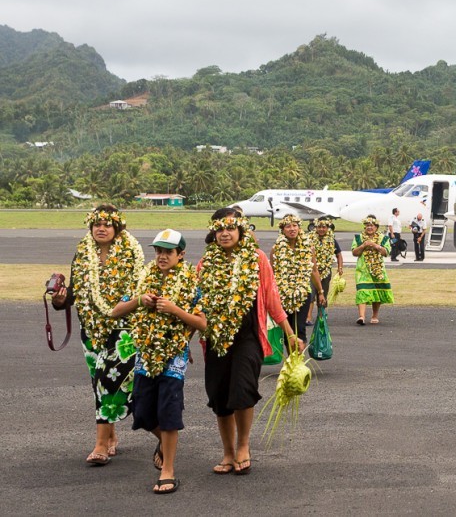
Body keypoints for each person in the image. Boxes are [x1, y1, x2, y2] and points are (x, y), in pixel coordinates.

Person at [196, 208, 302, 476]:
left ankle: (243, 445)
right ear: (214, 232)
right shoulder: (204, 264)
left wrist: (290, 334)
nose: (225, 233)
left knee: (242, 390)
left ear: (241, 231)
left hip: (248, 337)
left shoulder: (257, 259)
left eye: (231, 228)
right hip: (216, 339)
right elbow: (194, 306)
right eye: (220, 229)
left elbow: (272, 300)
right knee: (219, 396)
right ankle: (228, 452)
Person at [110, 229, 206, 494]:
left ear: (181, 254)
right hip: (145, 356)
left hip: (174, 357)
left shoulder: (192, 283)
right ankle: (165, 442)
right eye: (159, 251)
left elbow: (203, 323)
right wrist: (140, 301)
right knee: (141, 411)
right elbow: (114, 311)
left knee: (168, 412)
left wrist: (175, 310)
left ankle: (168, 471)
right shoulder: (143, 278)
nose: (162, 257)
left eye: (168, 252)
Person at [51, 204, 145, 466]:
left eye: (107, 224)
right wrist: (59, 300)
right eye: (97, 224)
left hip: (123, 328)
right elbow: (74, 294)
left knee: (108, 380)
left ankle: (101, 445)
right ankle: (111, 436)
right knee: (98, 383)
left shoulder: (132, 253)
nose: (101, 229)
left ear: (117, 227)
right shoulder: (82, 252)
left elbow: (139, 289)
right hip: (91, 329)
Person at [269, 214, 326, 345]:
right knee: (287, 330)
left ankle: (297, 362)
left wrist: (320, 292)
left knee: (300, 328)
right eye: (288, 226)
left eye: (295, 226)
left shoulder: (308, 248)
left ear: (299, 228)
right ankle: (291, 361)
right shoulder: (276, 249)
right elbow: (271, 273)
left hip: (303, 294)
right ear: (283, 230)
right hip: (282, 294)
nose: (292, 229)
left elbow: (314, 270)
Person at [352, 215, 394, 325]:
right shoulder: (359, 238)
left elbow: (386, 253)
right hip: (363, 270)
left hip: (378, 270)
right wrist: (363, 246)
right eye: (367, 225)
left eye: (372, 225)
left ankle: (375, 315)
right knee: (362, 291)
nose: (369, 227)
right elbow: (354, 253)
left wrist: (376, 246)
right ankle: (361, 317)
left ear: (376, 227)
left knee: (377, 291)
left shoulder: (383, 238)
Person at [305, 217, 344, 325]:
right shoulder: (308, 239)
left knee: (323, 294)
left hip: (326, 272)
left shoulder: (331, 240)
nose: (321, 229)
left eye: (324, 227)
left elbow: (339, 255)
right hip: (311, 272)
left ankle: (321, 316)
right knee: (311, 294)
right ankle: (308, 317)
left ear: (327, 228)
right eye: (319, 227)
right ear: (315, 227)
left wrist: (340, 268)